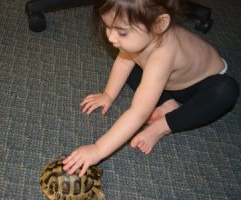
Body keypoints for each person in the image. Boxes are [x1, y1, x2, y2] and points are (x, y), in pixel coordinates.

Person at [63, 0, 239, 177]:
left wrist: (98, 149)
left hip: (200, 85)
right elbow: (124, 62)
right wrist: (108, 95)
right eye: (108, 26)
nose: (111, 37)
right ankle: (168, 103)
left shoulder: (163, 54)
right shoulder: (142, 38)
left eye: (122, 32)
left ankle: (162, 126)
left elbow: (138, 113)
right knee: (129, 67)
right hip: (166, 80)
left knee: (226, 91)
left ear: (159, 24)